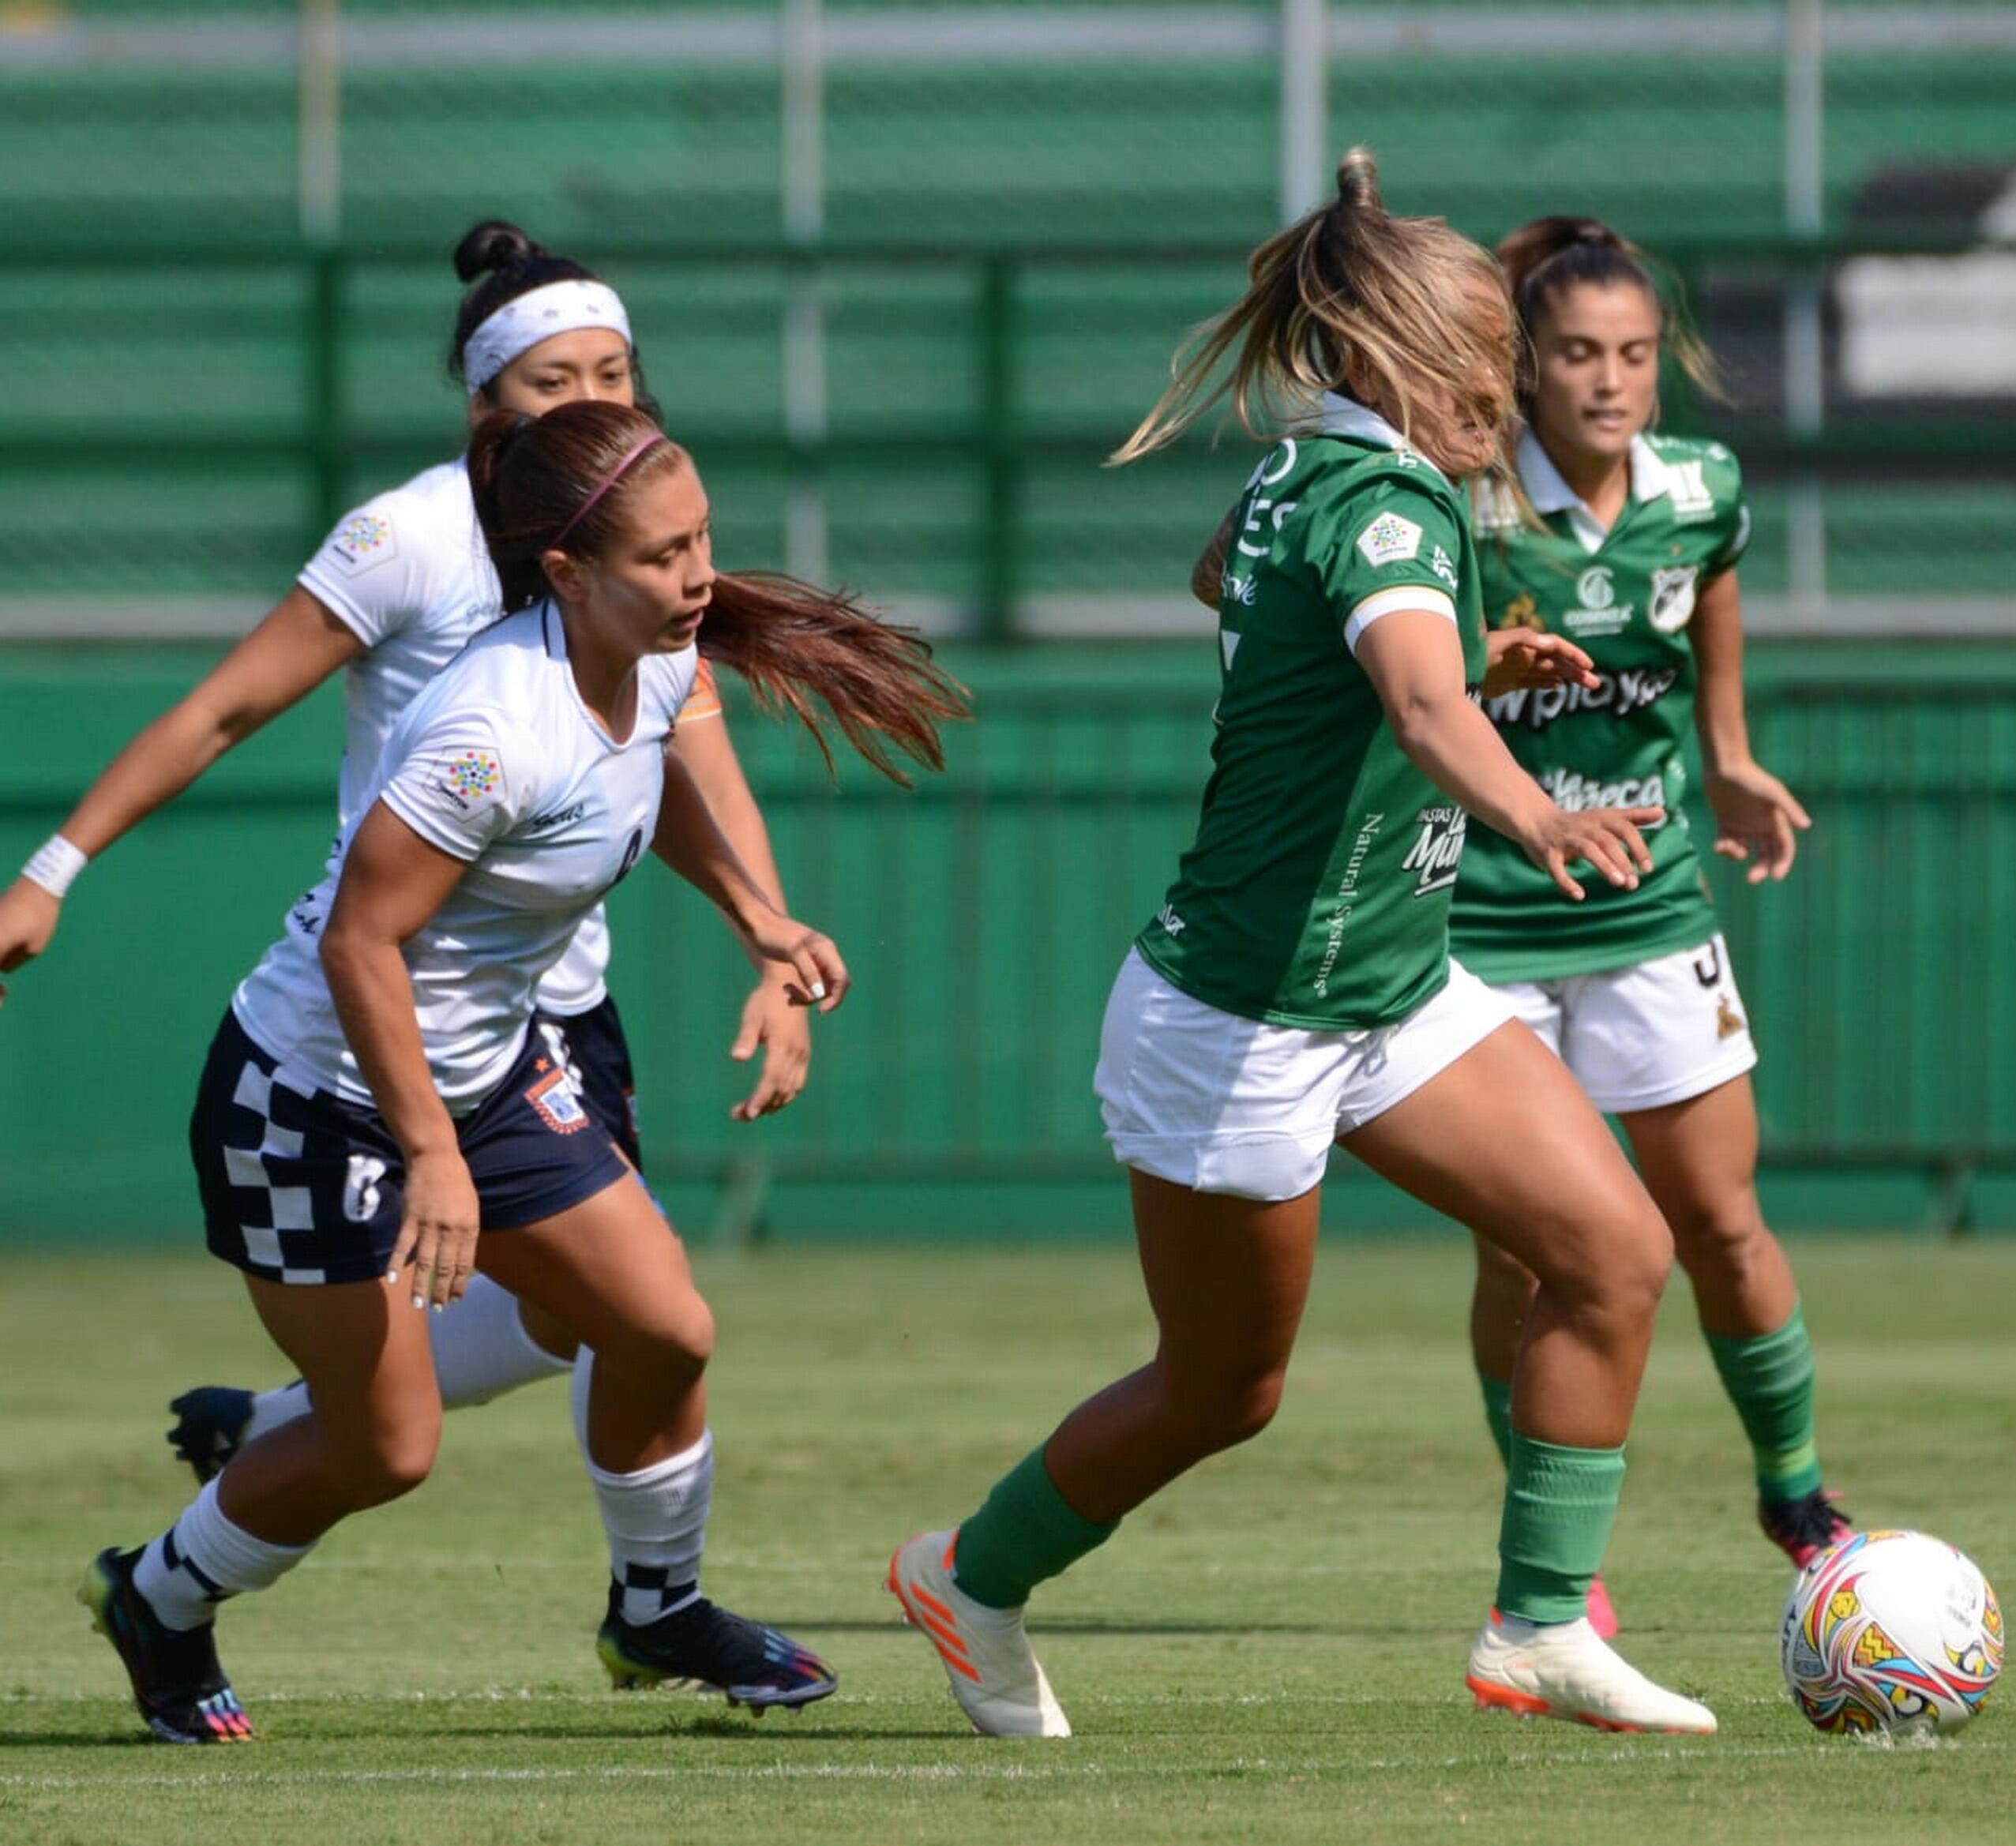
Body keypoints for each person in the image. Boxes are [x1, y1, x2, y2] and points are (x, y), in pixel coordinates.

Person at [885, 152, 1717, 1741]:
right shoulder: (1385, 497)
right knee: (1222, 1390)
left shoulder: (1304, 484)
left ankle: (1538, 1625)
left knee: (1612, 1250)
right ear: (1377, 360)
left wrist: (1448, 648)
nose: (1497, 389)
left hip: (1393, 988)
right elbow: (1412, 702)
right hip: (1242, 1015)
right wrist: (1525, 803)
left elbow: (1239, 585)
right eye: (1474, 361)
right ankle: (966, 1573)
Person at [78, 399, 966, 1744]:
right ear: (565, 574)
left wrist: (759, 916)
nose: (697, 578)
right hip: (308, 1104)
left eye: (702, 539)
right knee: (389, 1446)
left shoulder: (655, 656)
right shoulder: (492, 724)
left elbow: (650, 780)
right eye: (662, 556)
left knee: (664, 1327)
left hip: (486, 1073)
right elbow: (359, 941)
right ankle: (159, 1593)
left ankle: (657, 1608)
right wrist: (429, 1151)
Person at [0, 220, 805, 1480]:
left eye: (611, 374)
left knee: (603, 1319)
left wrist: (771, 935)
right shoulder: (412, 542)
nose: (587, 401)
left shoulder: (647, 549)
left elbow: (692, 762)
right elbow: (223, 709)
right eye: (553, 380)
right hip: (384, 996)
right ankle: (625, 1589)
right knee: (557, 1355)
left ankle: (299, 1432)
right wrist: (54, 868)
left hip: (545, 1000)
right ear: (487, 401)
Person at [1450, 219, 1843, 1641]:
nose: (1608, 382)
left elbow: (1712, 589)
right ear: (1527, 367)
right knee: (1528, 1254)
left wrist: (1728, 751)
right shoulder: (1468, 496)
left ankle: (1795, 1492)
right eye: (1576, 355)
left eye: (1631, 355)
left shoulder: (1700, 487)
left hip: (1652, 899)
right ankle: (1554, 1545)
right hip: (1487, 919)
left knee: (1721, 1220)